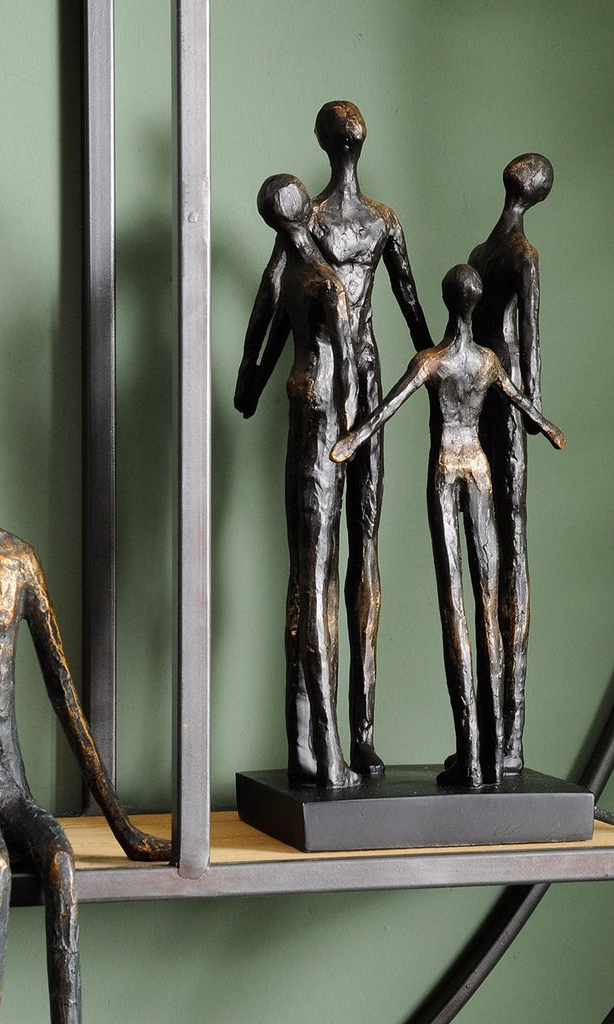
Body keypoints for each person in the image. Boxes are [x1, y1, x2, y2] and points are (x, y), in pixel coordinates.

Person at [0, 433, 171, 1024]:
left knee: (61, 865)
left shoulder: (18, 560)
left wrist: (123, 827)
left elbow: (63, 690)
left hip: (12, 790)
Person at [238, 100, 432, 778]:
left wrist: (250, 382)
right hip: (344, 386)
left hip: (354, 387)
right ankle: (323, 743)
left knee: (343, 557)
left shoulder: (370, 221)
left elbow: (406, 304)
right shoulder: (317, 224)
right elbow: (277, 302)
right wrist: (252, 381)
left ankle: (358, 734)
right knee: (333, 559)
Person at [332, 265, 565, 788]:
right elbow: (521, 403)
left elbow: (386, 408)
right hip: (478, 466)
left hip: (445, 467)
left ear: (446, 300)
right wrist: (547, 427)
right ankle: (488, 756)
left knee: (455, 604)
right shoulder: (486, 361)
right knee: (488, 606)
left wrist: (352, 440)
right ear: (476, 303)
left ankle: (474, 753)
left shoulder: (432, 361)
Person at [234, 174, 362, 789]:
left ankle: (303, 748)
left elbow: (255, 352)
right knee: (317, 587)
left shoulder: (283, 276)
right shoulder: (326, 284)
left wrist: (253, 387)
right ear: (307, 212)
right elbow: (350, 378)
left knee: (303, 582)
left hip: (300, 425)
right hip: (325, 435)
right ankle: (330, 755)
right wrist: (355, 439)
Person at [468, 153, 554, 774]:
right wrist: (535, 407)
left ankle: (497, 735)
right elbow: (530, 334)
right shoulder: (522, 254)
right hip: (505, 390)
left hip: (478, 391)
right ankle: (507, 737)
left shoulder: (481, 252)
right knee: (510, 543)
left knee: (489, 545)